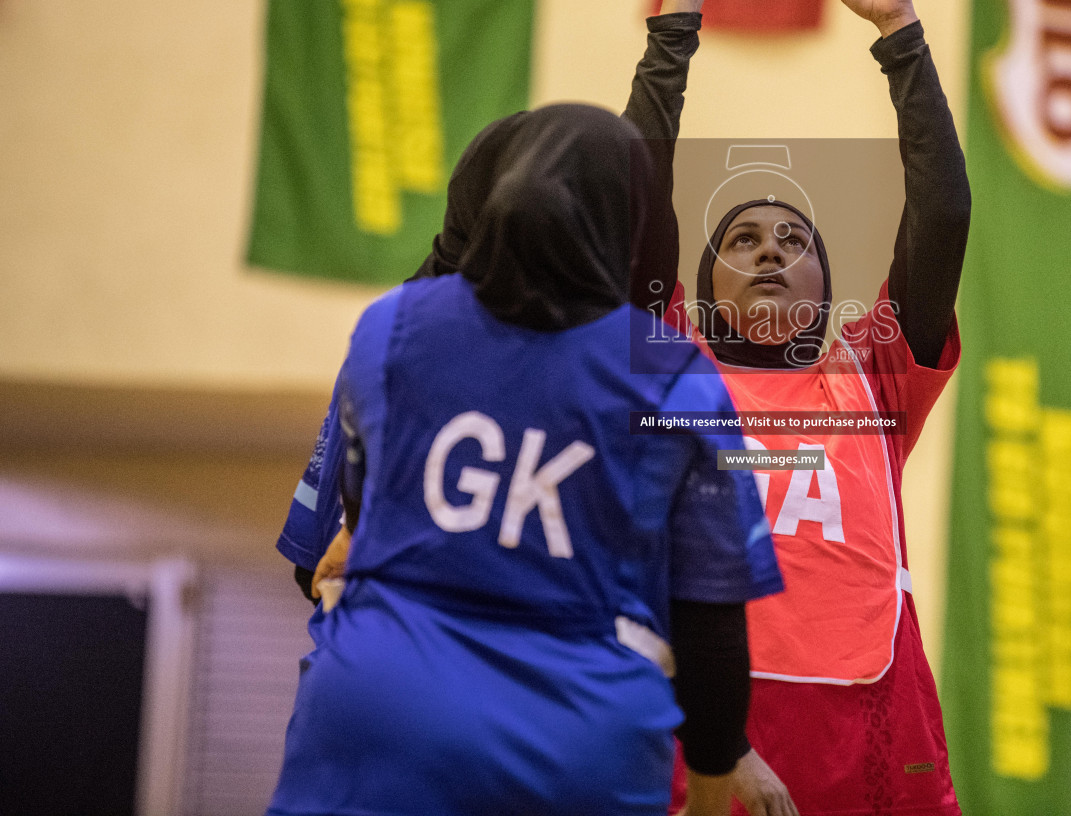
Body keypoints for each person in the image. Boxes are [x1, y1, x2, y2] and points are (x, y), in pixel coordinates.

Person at [266, 104, 783, 816]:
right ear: (627, 223)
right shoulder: (672, 372)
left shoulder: (391, 324)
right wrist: (709, 790)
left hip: (374, 716)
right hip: (575, 742)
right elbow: (711, 624)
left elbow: (359, 514)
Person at [627, 0, 971, 816]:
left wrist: (900, 32)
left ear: (830, 291)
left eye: (795, 241)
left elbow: (941, 214)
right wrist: (680, 13)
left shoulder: (875, 373)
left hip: (867, 746)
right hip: (686, 744)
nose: (772, 250)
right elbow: (630, 193)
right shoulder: (664, 362)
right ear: (695, 288)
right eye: (743, 241)